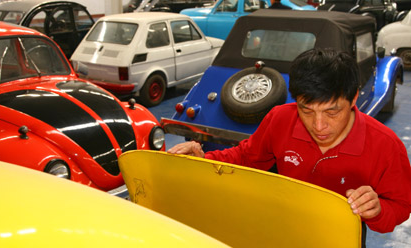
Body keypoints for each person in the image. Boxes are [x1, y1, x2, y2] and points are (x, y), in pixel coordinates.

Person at [168, 48, 411, 244]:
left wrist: (377, 211)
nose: (318, 125)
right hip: (285, 230)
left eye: (332, 111)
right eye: (307, 110)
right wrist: (203, 159)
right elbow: (247, 157)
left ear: (354, 98)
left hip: (341, 238)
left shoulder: (385, 145)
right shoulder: (280, 119)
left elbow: (400, 207)